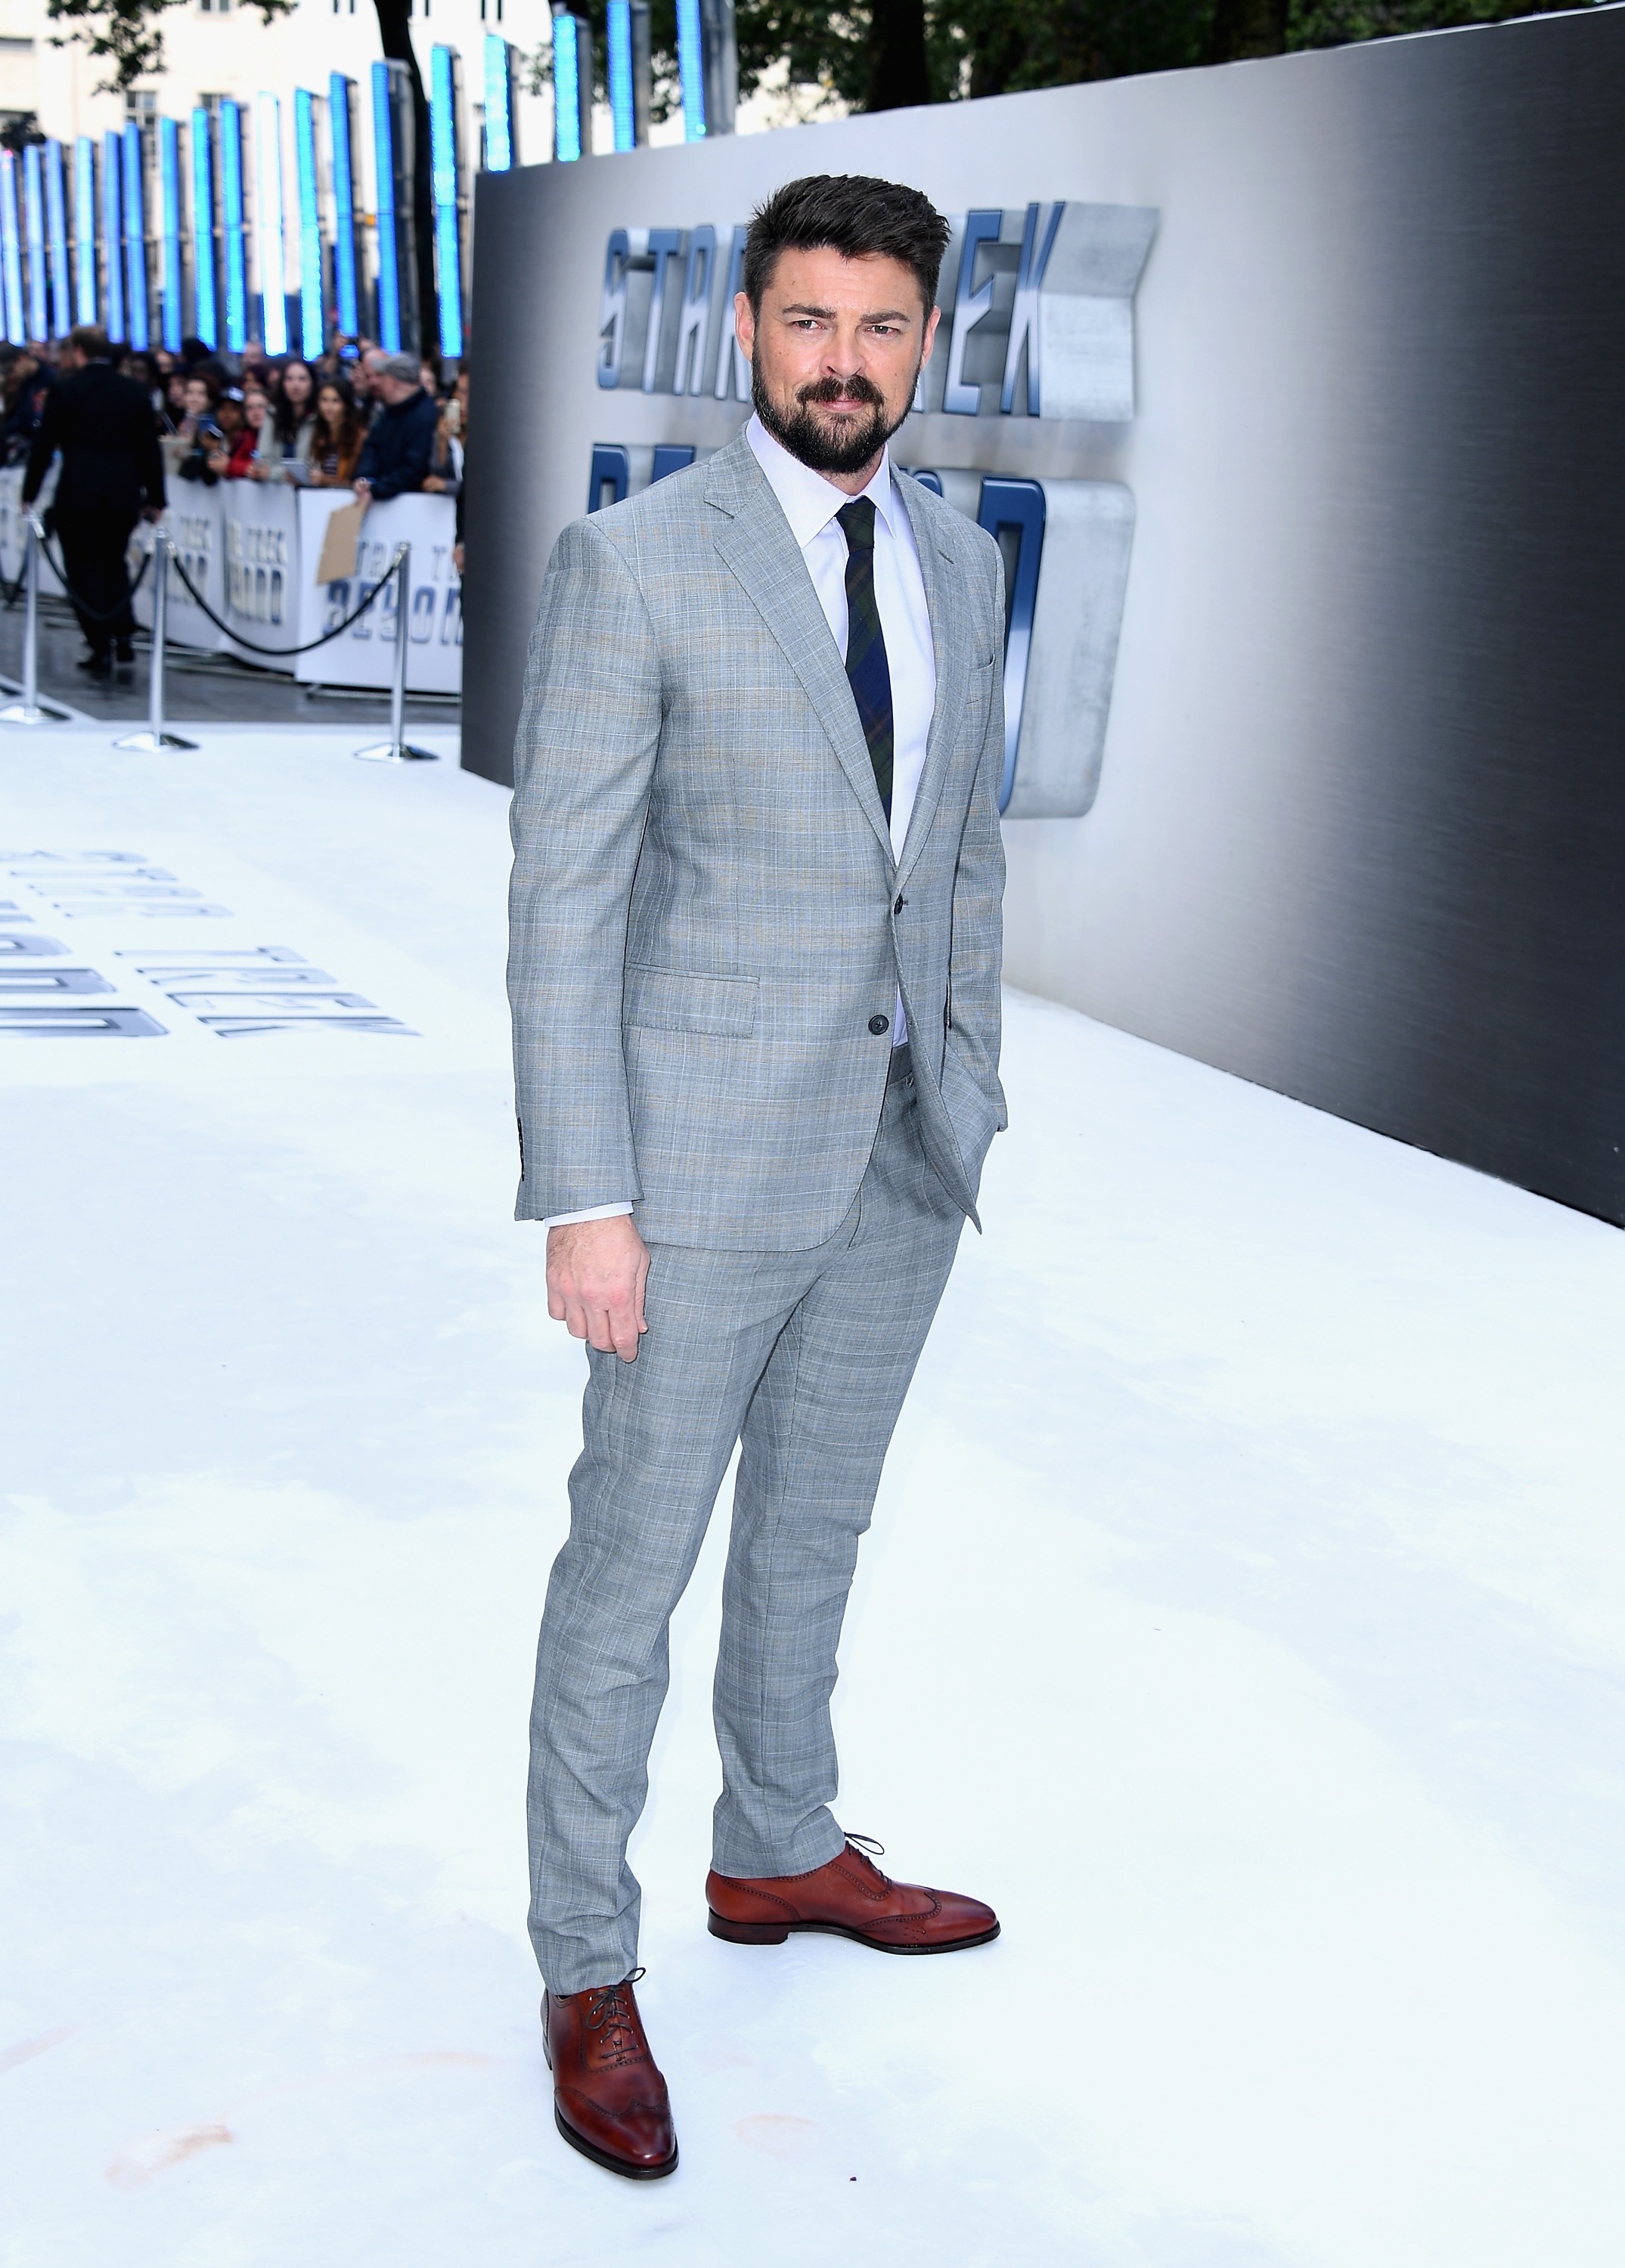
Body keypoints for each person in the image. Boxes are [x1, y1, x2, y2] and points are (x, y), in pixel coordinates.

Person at [507, 173, 1007, 2183]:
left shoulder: (959, 560)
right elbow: (565, 900)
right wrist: (586, 1199)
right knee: (624, 1579)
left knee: (815, 1534)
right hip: (694, 1176)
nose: (843, 362)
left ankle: (777, 1847)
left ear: (921, 346)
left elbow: (957, 851)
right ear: (745, 330)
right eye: (809, 322)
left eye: (881, 328)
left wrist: (966, 1080)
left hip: (896, 1161)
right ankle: (581, 1964)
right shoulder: (638, 563)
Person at [23, 323, 165, 680]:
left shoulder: (65, 389)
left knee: (83, 569)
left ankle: (99, 642)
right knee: (114, 563)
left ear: (78, 351)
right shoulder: (134, 392)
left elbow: (44, 446)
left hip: (79, 492)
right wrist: (157, 496)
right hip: (122, 493)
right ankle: (123, 632)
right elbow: (150, 449)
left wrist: (29, 492)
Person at [352, 352, 437, 501]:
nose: (376, 382)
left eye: (381, 377)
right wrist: (364, 478)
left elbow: (414, 468)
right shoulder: (388, 413)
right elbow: (371, 447)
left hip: (414, 508)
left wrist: (378, 489)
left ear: (393, 382)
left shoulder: (426, 416)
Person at [253, 360, 316, 481]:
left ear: (312, 383)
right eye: (289, 379)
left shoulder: (318, 417)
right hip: (275, 492)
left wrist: (274, 474)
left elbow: (311, 469)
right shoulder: (272, 414)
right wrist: (281, 475)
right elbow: (263, 458)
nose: (295, 385)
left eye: (302, 379)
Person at [307, 374, 367, 488]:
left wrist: (326, 480)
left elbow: (355, 482)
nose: (328, 407)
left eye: (335, 401)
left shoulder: (359, 438)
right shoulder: (317, 433)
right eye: (324, 400)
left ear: (346, 404)